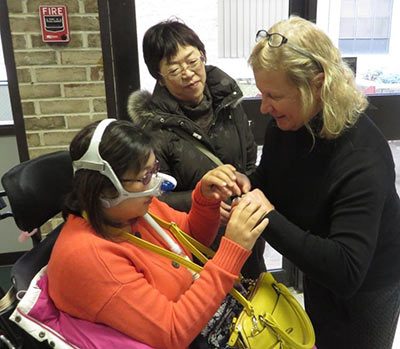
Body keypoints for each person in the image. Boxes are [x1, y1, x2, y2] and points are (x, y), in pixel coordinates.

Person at [240, 16, 400, 349]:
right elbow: (270, 179)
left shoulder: (361, 157)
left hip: (368, 282)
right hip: (322, 266)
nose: (265, 107)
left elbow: (345, 271)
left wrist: (264, 216)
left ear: (317, 84)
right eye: (261, 93)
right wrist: (243, 184)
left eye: (274, 95)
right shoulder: (287, 126)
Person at [47, 119, 268, 349]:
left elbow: (190, 238)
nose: (158, 183)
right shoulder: (89, 258)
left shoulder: (132, 209)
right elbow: (172, 333)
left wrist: (204, 200)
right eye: (145, 177)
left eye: (155, 170)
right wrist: (231, 253)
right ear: (104, 188)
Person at [127, 19, 265, 278]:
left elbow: (248, 161)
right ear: (159, 76)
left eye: (192, 61)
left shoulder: (228, 102)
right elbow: (152, 199)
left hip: (246, 236)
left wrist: (245, 183)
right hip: (197, 248)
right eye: (174, 68)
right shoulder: (154, 129)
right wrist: (203, 206)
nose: (188, 73)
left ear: (202, 56)